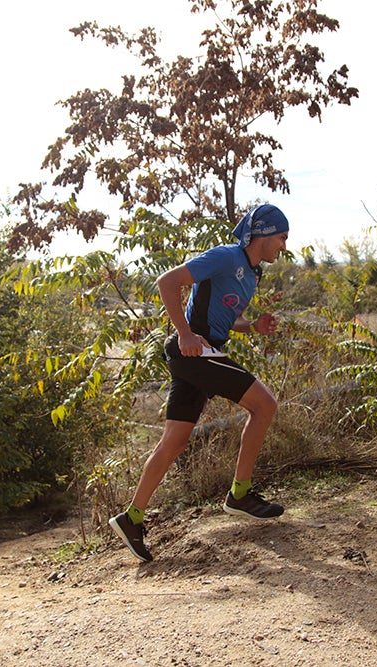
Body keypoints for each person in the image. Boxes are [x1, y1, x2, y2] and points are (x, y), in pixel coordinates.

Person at [108, 204, 290, 562]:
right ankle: (240, 494)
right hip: (195, 350)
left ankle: (131, 519)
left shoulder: (252, 275)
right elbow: (168, 281)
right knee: (265, 405)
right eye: (282, 237)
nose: (283, 246)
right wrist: (185, 333)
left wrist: (252, 326)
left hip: (202, 352)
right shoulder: (226, 256)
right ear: (264, 234)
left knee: (173, 442)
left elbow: (228, 316)